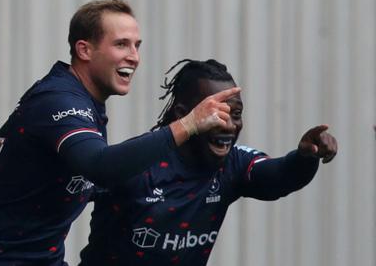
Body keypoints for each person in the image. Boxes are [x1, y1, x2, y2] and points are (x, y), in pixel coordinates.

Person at [0, 0, 240, 266]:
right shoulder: (60, 99)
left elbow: (0, 150)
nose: (134, 56)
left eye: (137, 45)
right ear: (85, 50)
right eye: (121, 44)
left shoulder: (84, 103)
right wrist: (188, 124)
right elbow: (101, 166)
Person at [78, 59, 338, 266]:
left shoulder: (233, 163)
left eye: (235, 114)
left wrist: (305, 157)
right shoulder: (139, 162)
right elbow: (59, 197)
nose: (228, 124)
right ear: (182, 115)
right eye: (216, 114)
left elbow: (278, 177)